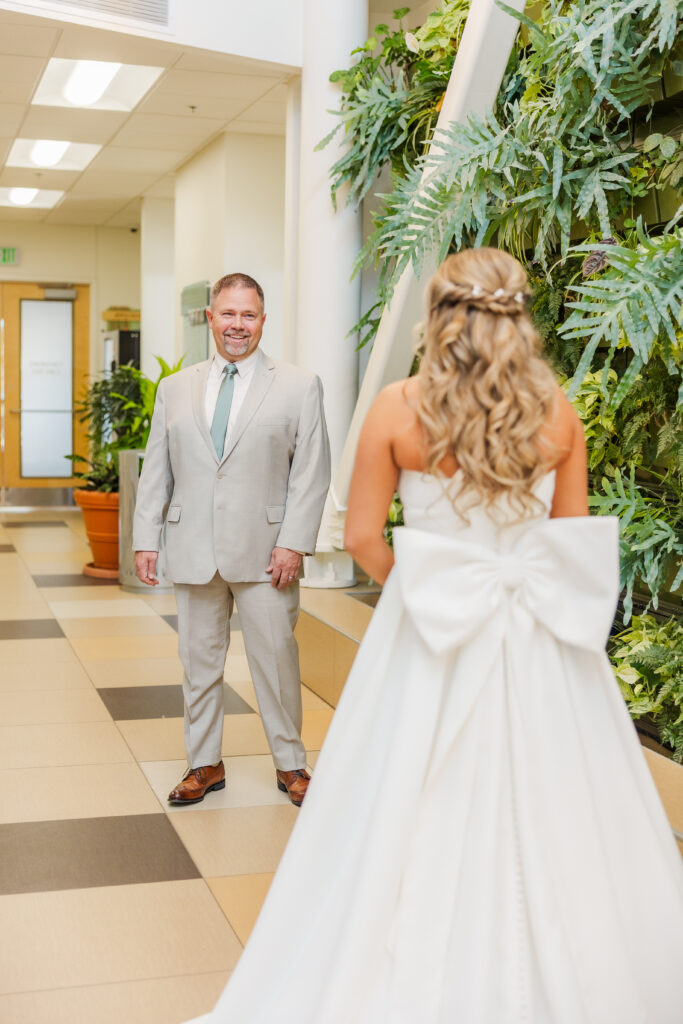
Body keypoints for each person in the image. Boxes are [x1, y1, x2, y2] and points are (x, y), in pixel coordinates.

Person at [184, 249, 683, 1023]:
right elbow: (570, 540)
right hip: (537, 642)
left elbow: (358, 537)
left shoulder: (396, 407)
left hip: (429, 635)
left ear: (436, 313)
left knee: (395, 803)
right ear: (518, 314)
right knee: (565, 807)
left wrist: (430, 590)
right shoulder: (557, 412)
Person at [133, 272, 330, 807]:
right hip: (192, 546)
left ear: (263, 321)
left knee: (276, 663)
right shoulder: (176, 389)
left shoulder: (298, 384)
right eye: (228, 313)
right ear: (210, 317)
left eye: (248, 315)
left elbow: (311, 473)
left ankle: (291, 764)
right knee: (198, 664)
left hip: (268, 553)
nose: (237, 325)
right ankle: (204, 763)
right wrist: (145, 539)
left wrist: (293, 542)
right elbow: (158, 469)